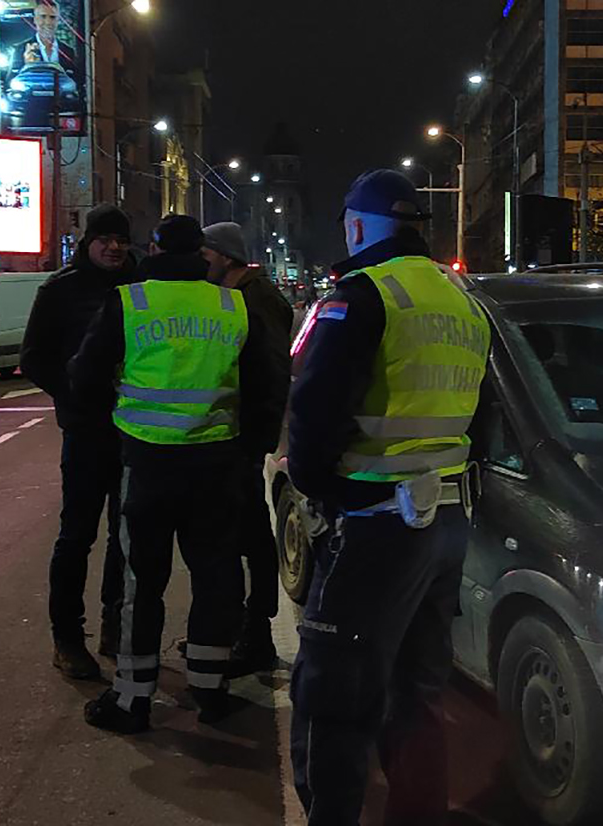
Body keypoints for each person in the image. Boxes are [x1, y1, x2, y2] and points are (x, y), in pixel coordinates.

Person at [286, 169, 491, 825]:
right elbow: (482, 418)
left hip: (375, 523)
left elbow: (314, 413)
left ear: (355, 226)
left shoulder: (363, 296)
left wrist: (322, 491)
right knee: (418, 692)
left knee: (335, 694)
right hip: (446, 521)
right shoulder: (464, 302)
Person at [67, 214, 286, 733]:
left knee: (141, 582)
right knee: (215, 576)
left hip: (147, 464)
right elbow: (266, 385)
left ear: (155, 249)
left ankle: (132, 697)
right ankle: (209, 689)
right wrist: (248, 449)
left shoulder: (131, 302)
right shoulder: (232, 305)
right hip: (215, 465)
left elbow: (84, 375)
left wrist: (113, 421)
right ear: (200, 255)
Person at [21, 205, 138, 681]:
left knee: (125, 538)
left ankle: (115, 625)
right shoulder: (60, 290)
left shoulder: (141, 286)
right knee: (77, 536)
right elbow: (34, 358)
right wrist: (73, 394)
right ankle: (67, 638)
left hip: (135, 432)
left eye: (121, 240)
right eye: (105, 239)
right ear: (88, 241)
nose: (114, 247)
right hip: (87, 432)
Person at [201, 222, 296, 676]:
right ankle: (241, 628)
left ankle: (255, 632)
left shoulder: (255, 300)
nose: (199, 264)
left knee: (250, 537)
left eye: (205, 255)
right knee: (238, 534)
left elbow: (272, 373)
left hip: (243, 440)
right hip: (236, 437)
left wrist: (256, 439)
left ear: (225, 256)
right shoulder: (239, 295)